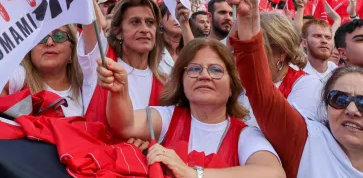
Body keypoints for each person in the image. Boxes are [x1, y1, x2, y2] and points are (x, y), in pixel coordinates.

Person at [223, 0, 363, 177]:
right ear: (326, 109)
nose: (351, 109)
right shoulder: (308, 144)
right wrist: (249, 18)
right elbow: (261, 91)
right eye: (339, 99)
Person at [97, 38, 285, 177]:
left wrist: (193, 174)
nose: (204, 75)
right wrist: (119, 91)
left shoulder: (245, 134)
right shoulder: (168, 116)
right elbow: (126, 124)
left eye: (216, 70)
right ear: (182, 81)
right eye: (194, 69)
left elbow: (274, 174)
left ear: (232, 87)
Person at [81, 0, 167, 124]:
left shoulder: (164, 83)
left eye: (150, 22)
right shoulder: (102, 61)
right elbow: (86, 2)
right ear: (118, 32)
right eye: (135, 22)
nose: (145, 29)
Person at [240, 12, 308, 126]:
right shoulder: (242, 81)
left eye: (255, 49)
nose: (246, 56)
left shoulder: (305, 85)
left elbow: (288, 131)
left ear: (281, 52)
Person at [5, 25, 87, 117]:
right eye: (40, 37)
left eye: (59, 36)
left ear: (72, 50)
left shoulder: (85, 84)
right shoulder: (20, 77)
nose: (49, 42)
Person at [157, 2, 194, 76]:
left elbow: (196, 57)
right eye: (172, 14)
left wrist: (184, 23)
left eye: (182, 14)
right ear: (160, 21)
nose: (177, 18)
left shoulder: (189, 47)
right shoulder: (152, 50)